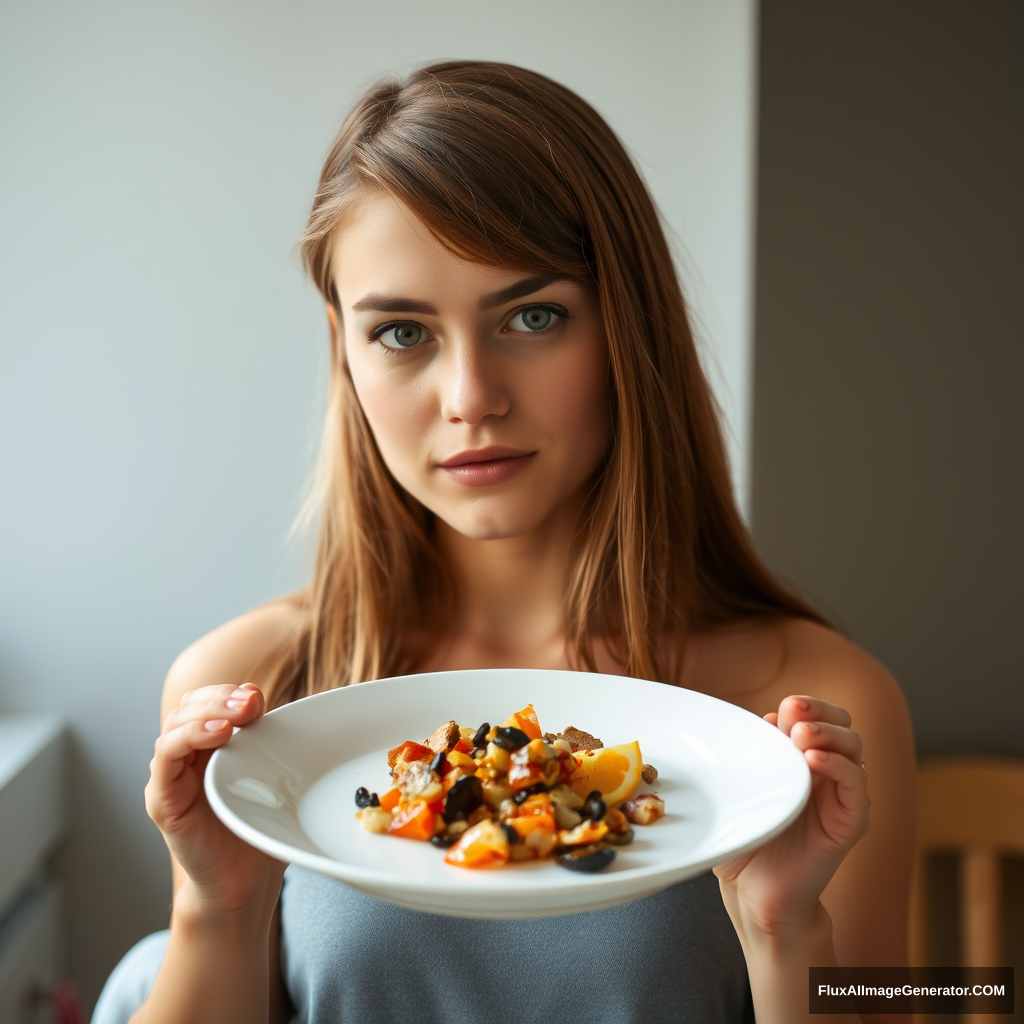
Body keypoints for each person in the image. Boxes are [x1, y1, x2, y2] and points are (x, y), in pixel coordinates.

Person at [101, 60, 916, 1024]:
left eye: (533, 316)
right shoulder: (254, 685)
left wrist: (789, 937)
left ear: (625, 327)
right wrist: (215, 907)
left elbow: (911, 998)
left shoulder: (822, 705)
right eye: (403, 333)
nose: (470, 397)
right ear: (342, 349)